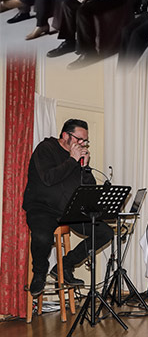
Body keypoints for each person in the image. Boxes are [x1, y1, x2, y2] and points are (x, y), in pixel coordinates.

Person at [23, 118, 113, 297]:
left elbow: (88, 188)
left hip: (69, 209)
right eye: (79, 139)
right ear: (65, 135)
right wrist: (72, 160)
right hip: (42, 208)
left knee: (104, 232)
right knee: (41, 236)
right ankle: (39, 273)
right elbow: (49, 178)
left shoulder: (77, 158)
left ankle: (65, 265)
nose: (82, 144)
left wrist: (85, 167)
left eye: (85, 141)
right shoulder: (46, 149)